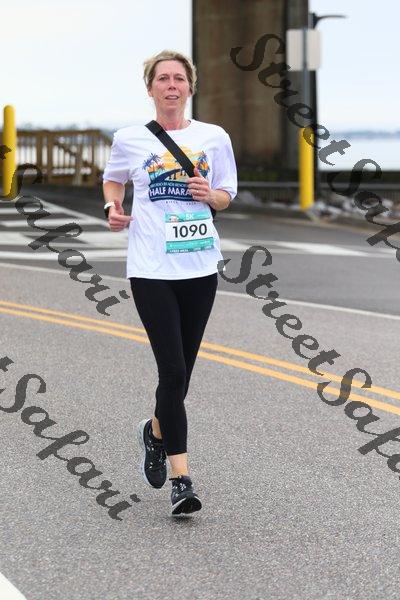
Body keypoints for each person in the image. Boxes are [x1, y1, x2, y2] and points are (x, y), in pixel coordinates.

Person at [102, 49, 237, 517]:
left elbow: (227, 194)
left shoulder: (213, 137)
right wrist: (113, 207)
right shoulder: (129, 139)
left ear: (190, 87)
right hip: (151, 269)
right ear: (151, 88)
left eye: (179, 78)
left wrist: (210, 194)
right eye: (163, 78)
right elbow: (113, 180)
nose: (172, 85)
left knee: (183, 375)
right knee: (173, 372)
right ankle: (182, 480)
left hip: (199, 267)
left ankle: (155, 431)